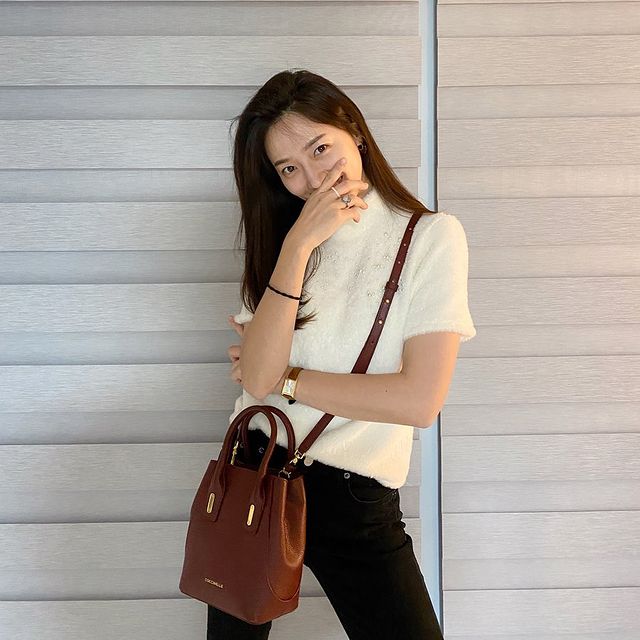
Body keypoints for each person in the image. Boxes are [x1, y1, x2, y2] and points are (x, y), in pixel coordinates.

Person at [210, 69, 476, 639]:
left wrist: (287, 377)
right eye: (288, 169)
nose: (312, 179)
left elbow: (419, 400)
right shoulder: (283, 239)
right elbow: (255, 377)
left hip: (354, 494)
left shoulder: (429, 238)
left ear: (353, 129)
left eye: (319, 149)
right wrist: (299, 243)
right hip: (255, 472)